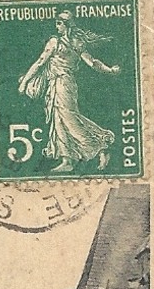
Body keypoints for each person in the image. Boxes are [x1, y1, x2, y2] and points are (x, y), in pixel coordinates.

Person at [18, 11, 120, 174]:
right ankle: (68, 160)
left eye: (59, 23)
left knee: (68, 118)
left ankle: (99, 147)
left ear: (66, 25)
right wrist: (110, 70)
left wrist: (24, 82)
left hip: (62, 84)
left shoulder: (55, 42)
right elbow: (93, 62)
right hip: (64, 84)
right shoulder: (77, 42)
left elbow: (39, 63)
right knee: (61, 119)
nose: (56, 26)